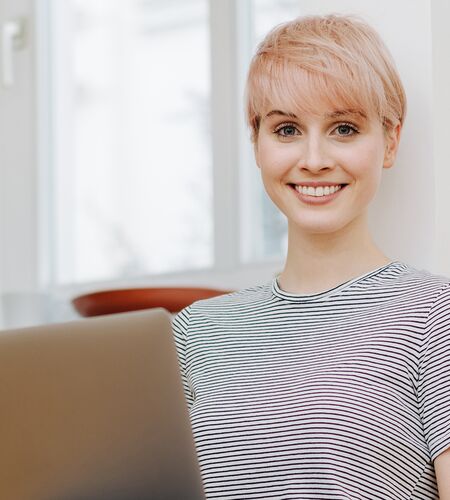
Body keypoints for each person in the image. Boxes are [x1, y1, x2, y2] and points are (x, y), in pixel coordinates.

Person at [172, 14, 450, 499]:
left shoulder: (435, 315)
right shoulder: (195, 331)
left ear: (390, 140)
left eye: (344, 128)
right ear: (256, 142)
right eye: (286, 130)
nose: (315, 158)